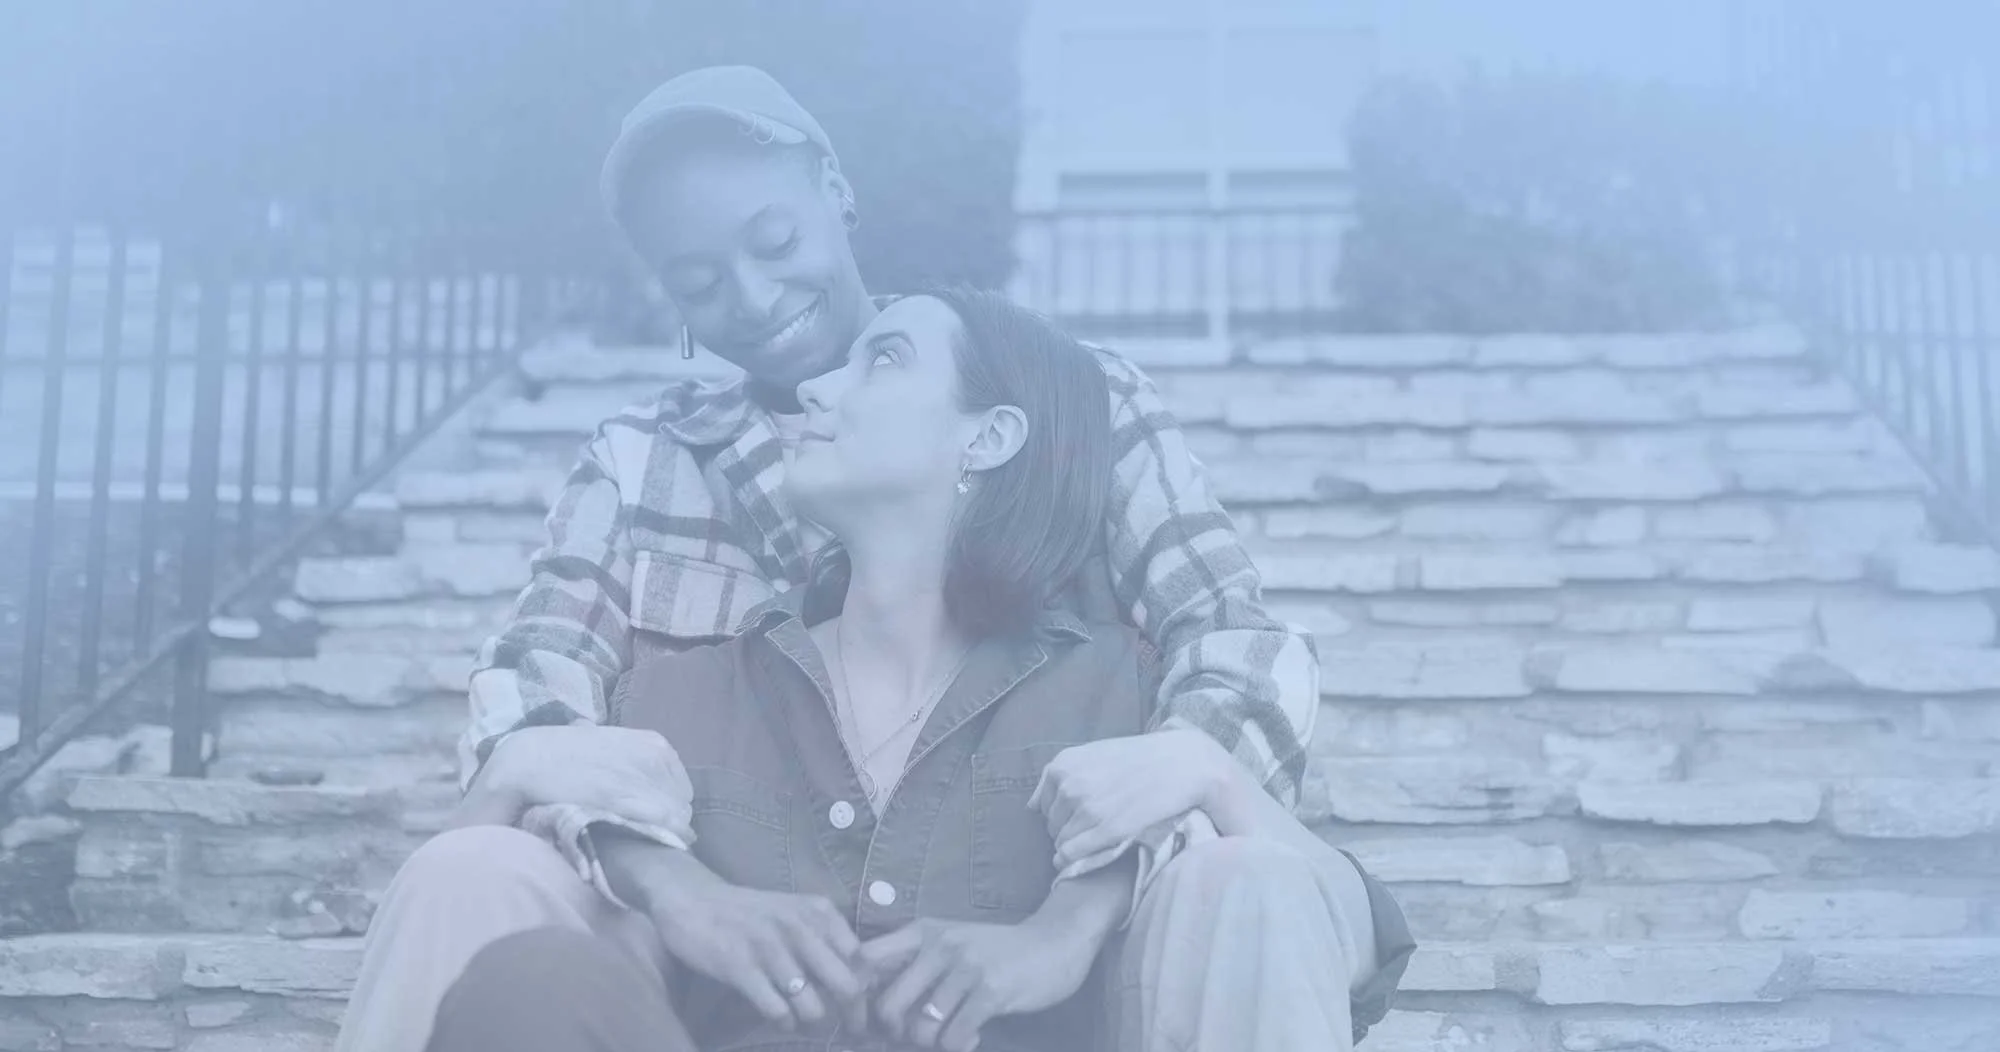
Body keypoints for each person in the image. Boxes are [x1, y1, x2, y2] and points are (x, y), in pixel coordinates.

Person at [334, 66, 1353, 1050]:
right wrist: (679, 889)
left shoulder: (1062, 400)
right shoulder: (645, 465)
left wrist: (1077, 909)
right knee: (471, 867)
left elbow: (1231, 651)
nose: (751, 292)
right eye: (698, 281)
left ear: (835, 189)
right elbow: (529, 714)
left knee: (1247, 875)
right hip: (700, 974)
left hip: (1039, 944)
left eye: (773, 238)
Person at [417, 288, 1411, 1051]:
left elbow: (1340, 931)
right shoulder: (675, 698)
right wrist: (674, 900)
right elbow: (491, 906)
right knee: (531, 962)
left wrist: (1178, 814)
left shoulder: (1127, 695)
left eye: (879, 358)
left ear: (988, 434)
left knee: (1249, 867)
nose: (813, 390)